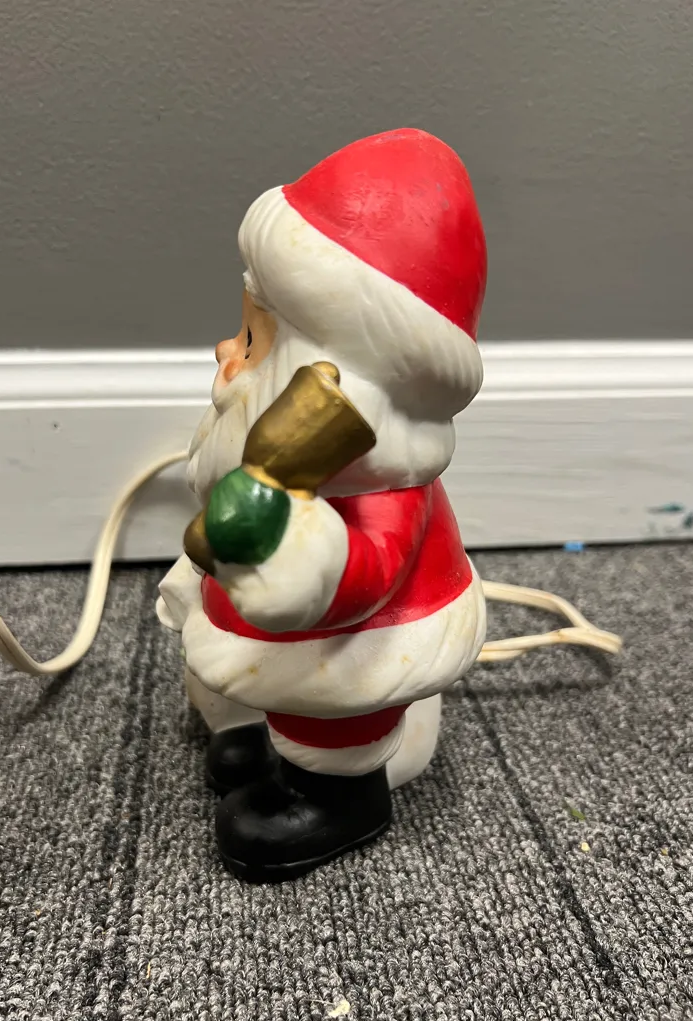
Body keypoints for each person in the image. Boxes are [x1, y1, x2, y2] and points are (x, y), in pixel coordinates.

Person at [157, 128, 488, 882]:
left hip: (349, 648)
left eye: (253, 338)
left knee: (331, 713)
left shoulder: (386, 490)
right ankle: (257, 732)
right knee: (254, 687)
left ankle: (336, 796)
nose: (226, 352)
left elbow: (364, 576)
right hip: (267, 635)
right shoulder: (254, 442)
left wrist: (294, 546)